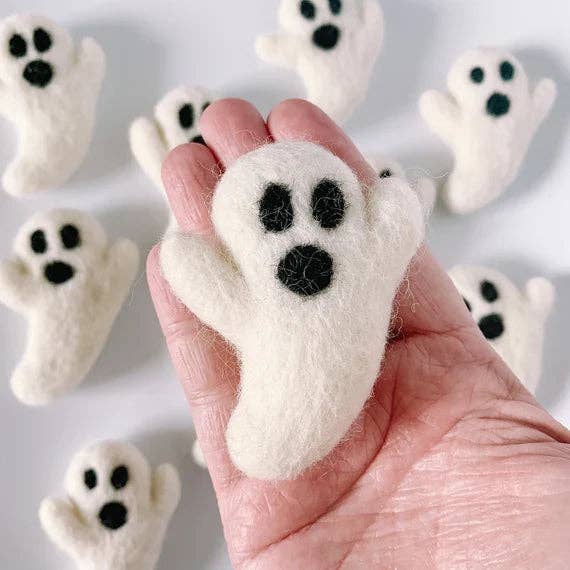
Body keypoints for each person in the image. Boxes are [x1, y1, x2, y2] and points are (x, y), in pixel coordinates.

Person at [146, 98, 570, 568]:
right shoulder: (348, 272)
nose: (304, 246)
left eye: (327, 212)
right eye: (277, 218)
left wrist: (187, 263)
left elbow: (391, 225)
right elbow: (394, 219)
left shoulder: (363, 268)